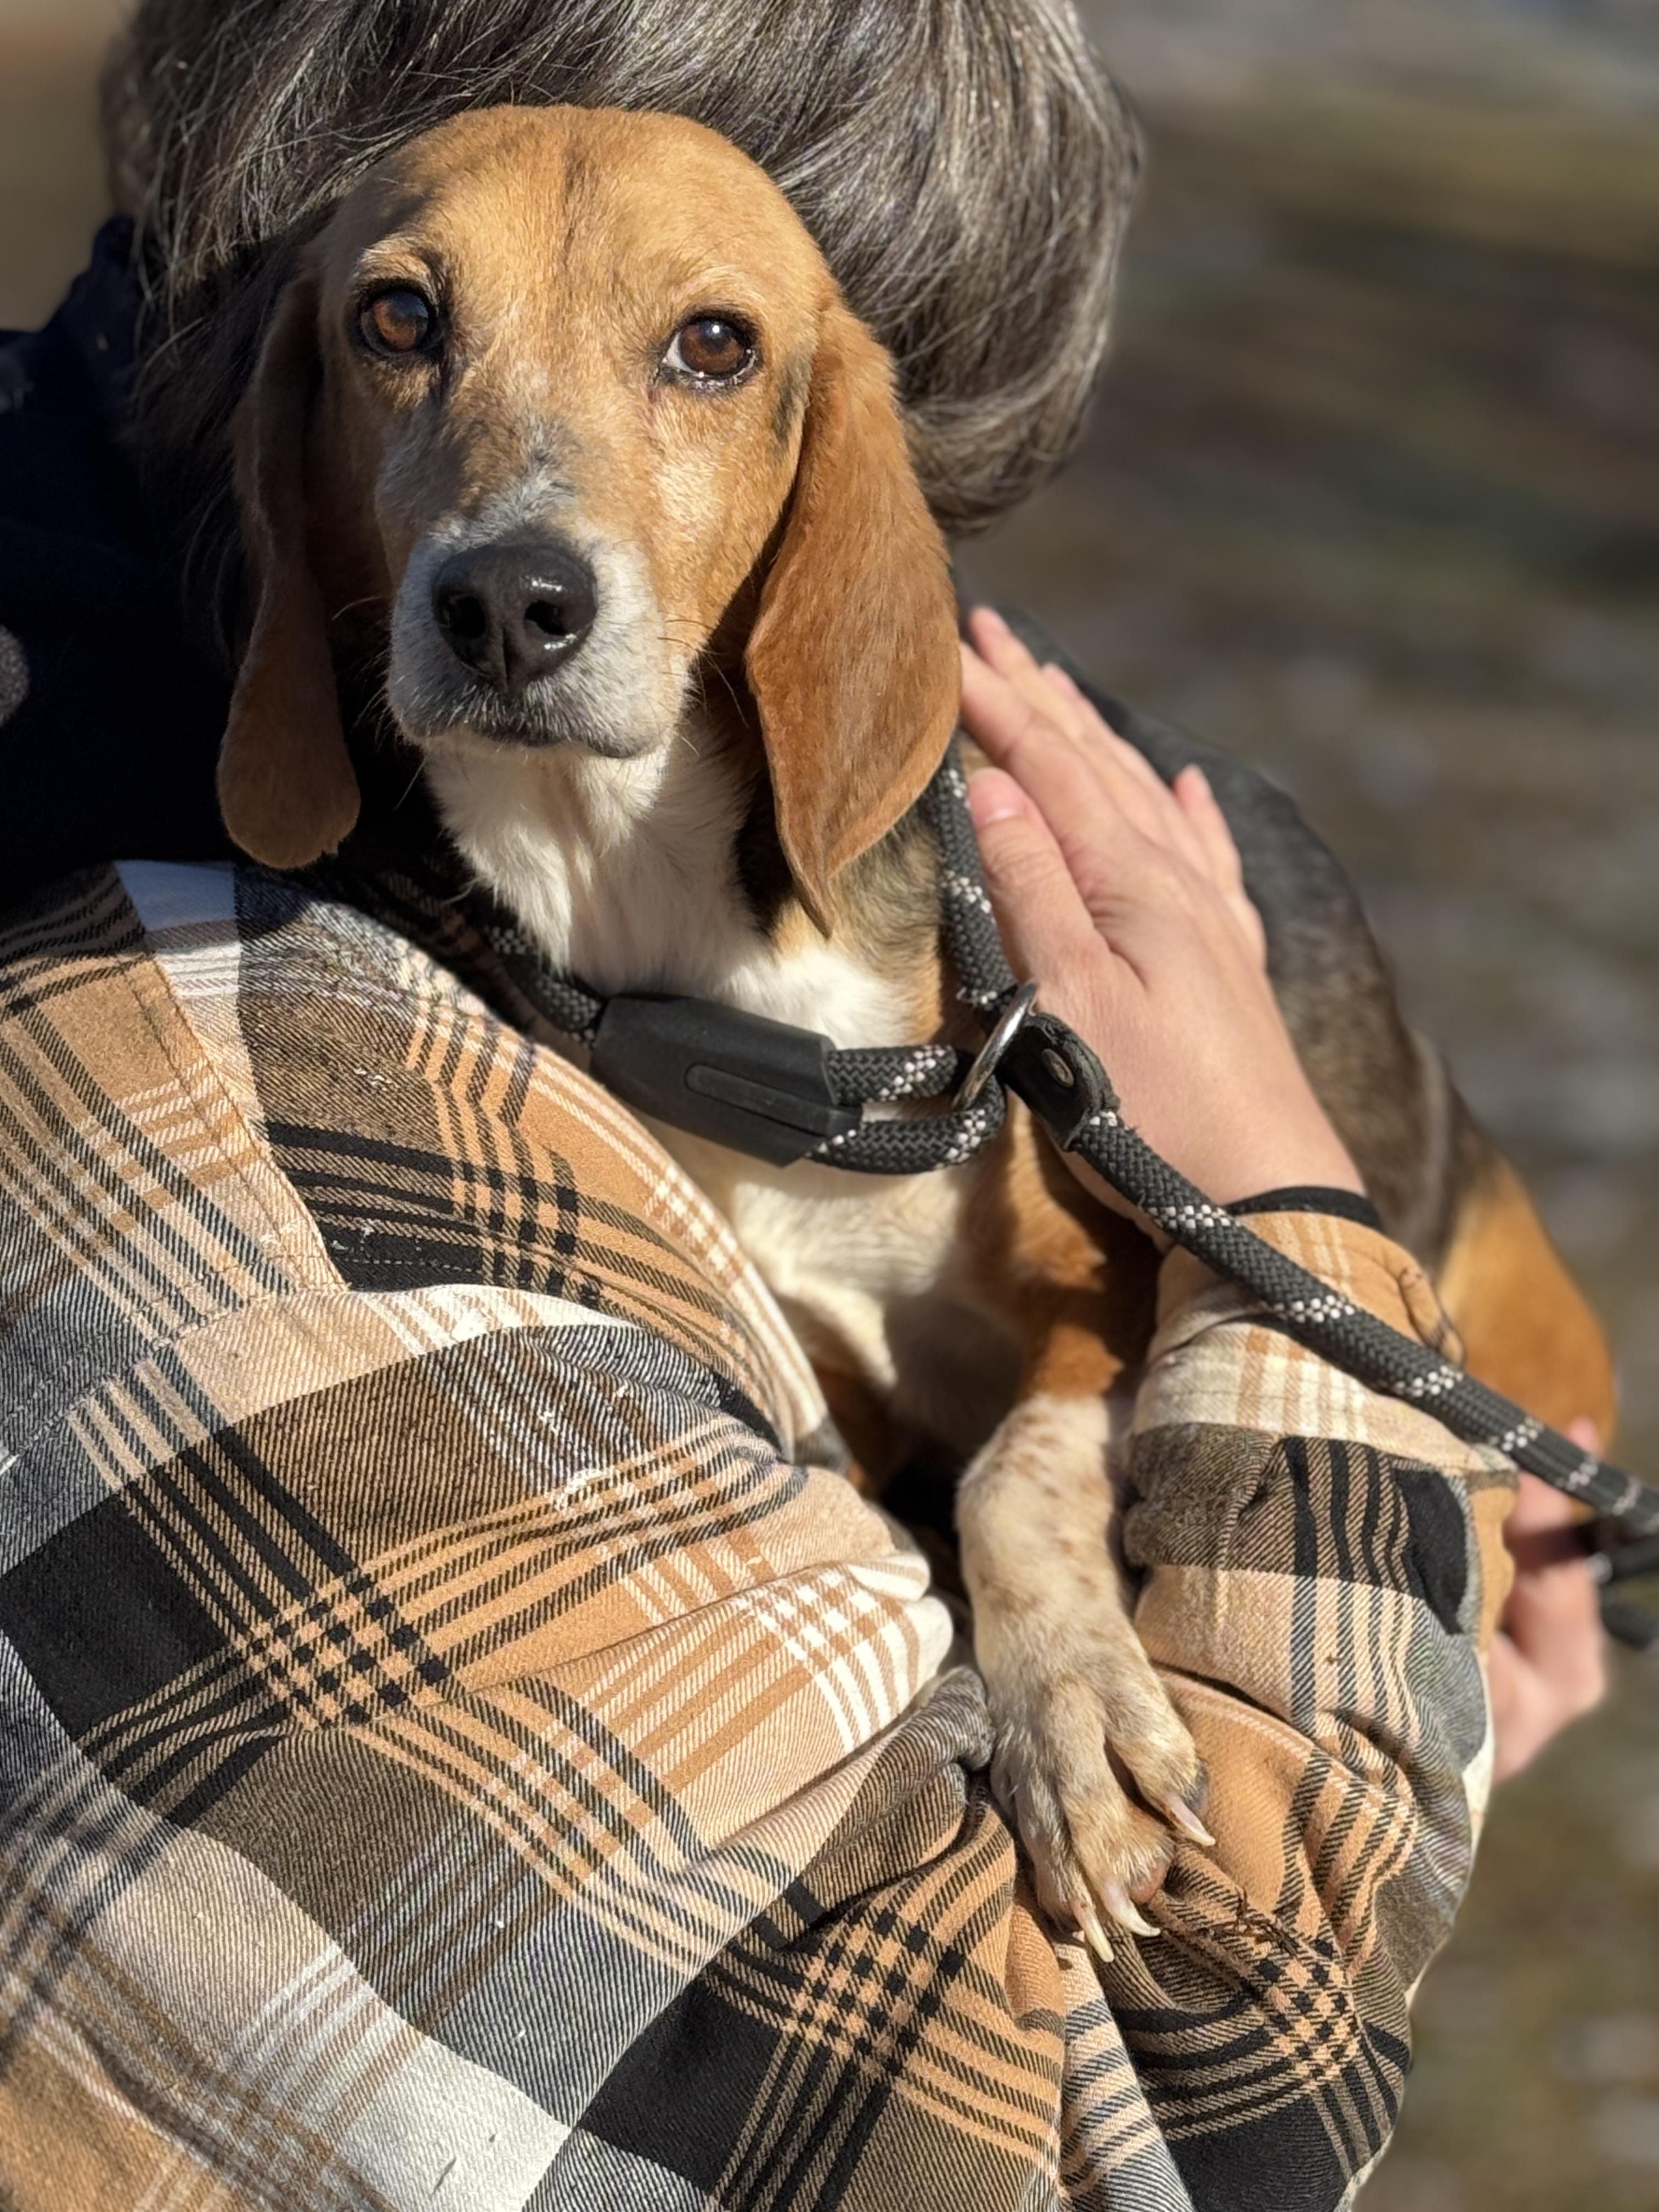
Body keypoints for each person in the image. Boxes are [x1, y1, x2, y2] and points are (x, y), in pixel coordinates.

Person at [0, 2, 1606, 2205]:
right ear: (302, 411)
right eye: (412, 328)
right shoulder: (221, 1126)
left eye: (705, 359)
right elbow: (1180, 2124)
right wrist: (1306, 1299)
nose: (530, 504)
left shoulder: (194, 799)